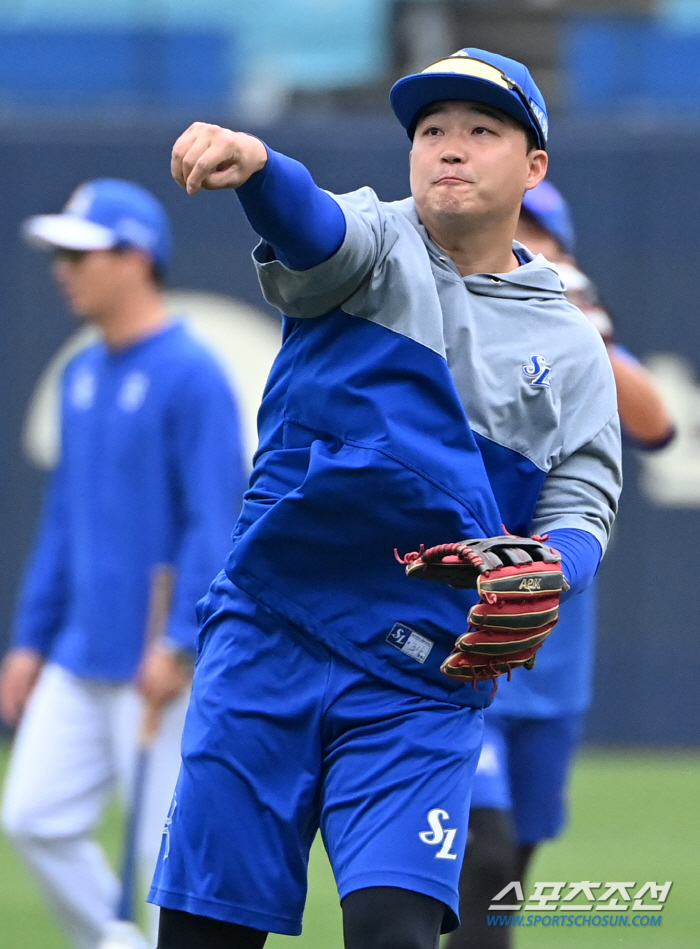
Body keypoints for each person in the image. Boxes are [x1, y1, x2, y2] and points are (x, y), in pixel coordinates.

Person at [148, 49, 622, 949]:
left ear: (534, 167)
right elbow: (316, 230)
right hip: (271, 631)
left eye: (482, 130)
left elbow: (584, 499)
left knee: (392, 931)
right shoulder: (376, 243)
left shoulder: (568, 345)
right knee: (205, 932)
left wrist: (550, 565)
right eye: (432, 130)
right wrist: (258, 167)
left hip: (419, 673)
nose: (450, 147)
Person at [0, 179, 247, 949]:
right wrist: (30, 640)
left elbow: (217, 520)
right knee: (32, 817)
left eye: (80, 254)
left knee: (162, 858)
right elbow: (65, 521)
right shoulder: (80, 373)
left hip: (158, 664)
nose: (62, 270)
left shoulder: (191, 373)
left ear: (137, 258)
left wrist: (178, 641)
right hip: (81, 650)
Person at [447, 179, 675, 949]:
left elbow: (657, 423)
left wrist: (591, 338)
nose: (528, 246)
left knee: (509, 871)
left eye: (540, 234)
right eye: (517, 231)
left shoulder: (583, 341)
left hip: (552, 655)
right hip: (461, 642)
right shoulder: (454, 326)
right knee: (479, 852)